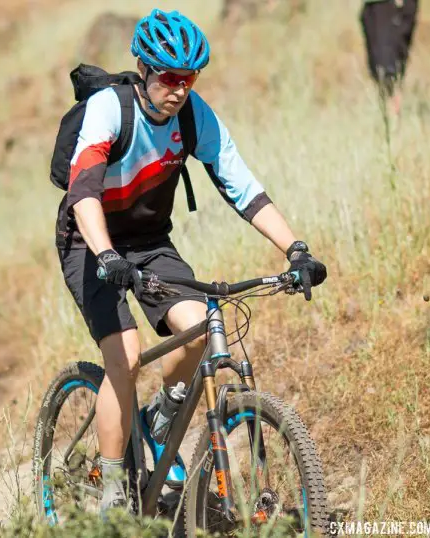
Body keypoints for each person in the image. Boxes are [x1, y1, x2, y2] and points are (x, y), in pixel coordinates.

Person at [53, 9, 327, 513]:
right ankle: (114, 493)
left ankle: (162, 413)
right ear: (144, 68)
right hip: (88, 239)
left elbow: (242, 186)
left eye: (190, 78)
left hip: (149, 240)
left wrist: (296, 249)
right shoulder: (109, 109)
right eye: (169, 77)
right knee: (126, 357)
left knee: (203, 327)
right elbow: (83, 192)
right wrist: (106, 253)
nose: (179, 89)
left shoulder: (192, 115)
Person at [360, 0, 419, 117]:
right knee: (378, 72)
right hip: (372, 6)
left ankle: (394, 125)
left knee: (389, 74)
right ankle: (387, 123)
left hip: (390, 6)